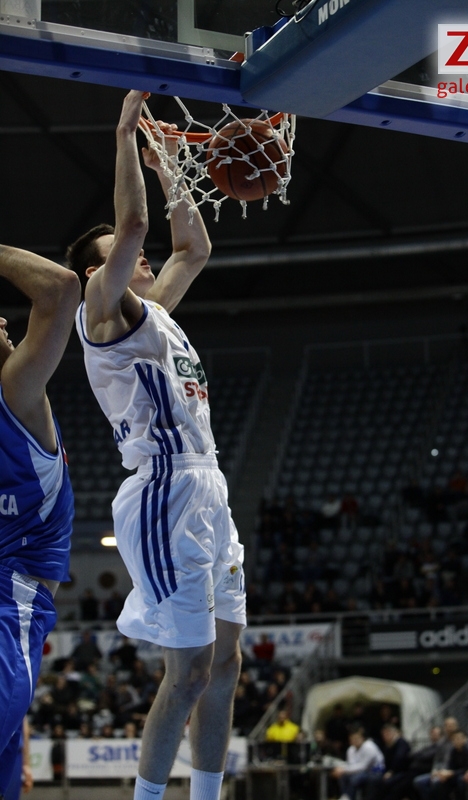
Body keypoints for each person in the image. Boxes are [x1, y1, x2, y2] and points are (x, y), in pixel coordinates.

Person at [66, 89, 245, 800]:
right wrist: (122, 137)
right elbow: (135, 224)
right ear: (97, 275)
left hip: (209, 483)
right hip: (163, 490)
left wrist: (171, 164)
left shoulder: (156, 314)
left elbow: (195, 247)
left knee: (226, 663)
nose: (142, 257)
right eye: (125, 255)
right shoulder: (100, 316)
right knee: (190, 669)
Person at [0, 245, 79, 795]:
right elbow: (59, 289)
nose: (5, 322)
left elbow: (60, 289)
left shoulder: (14, 392)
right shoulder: (13, 389)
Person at [331, 727, 385, 800]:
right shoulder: (351, 749)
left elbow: (363, 766)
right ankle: (345, 796)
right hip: (361, 771)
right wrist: (341, 770)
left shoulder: (369, 747)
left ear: (362, 738)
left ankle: (348, 797)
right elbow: (351, 765)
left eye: (356, 738)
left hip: (375, 771)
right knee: (343, 777)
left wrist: (344, 770)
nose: (354, 741)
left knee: (355, 778)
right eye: (352, 739)